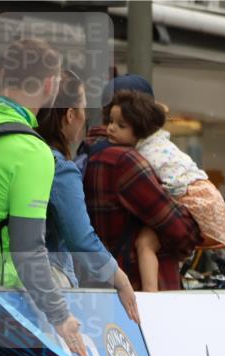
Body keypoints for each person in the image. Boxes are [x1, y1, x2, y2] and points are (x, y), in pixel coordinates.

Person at [0, 38, 86, 356]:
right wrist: (60, 316)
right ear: (49, 86)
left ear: (4, 75)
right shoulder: (32, 152)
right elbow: (27, 249)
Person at [34, 69, 139, 322]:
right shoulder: (60, 168)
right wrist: (120, 279)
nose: (85, 117)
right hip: (50, 282)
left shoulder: (25, 153)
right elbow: (81, 238)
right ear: (70, 115)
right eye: (83, 109)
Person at [84, 76, 201, 291]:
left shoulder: (88, 153)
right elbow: (181, 230)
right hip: (138, 288)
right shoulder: (125, 160)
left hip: (103, 286)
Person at [106, 90, 225, 292]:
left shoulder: (146, 155)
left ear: (140, 129)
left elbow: (172, 187)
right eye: (110, 121)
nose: (111, 128)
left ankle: (150, 298)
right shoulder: (155, 145)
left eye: (121, 125)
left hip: (194, 200)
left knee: (145, 243)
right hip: (202, 197)